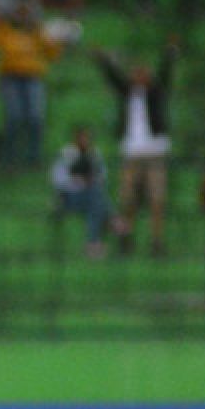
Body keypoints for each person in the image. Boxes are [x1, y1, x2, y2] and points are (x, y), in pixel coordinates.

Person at [93, 41, 178, 256]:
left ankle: (156, 241)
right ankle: (126, 239)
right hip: (131, 153)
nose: (139, 77)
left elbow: (165, 76)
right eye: (136, 73)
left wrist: (169, 55)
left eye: (143, 73)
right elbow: (114, 78)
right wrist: (103, 60)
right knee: (128, 200)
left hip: (154, 153)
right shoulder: (128, 94)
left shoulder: (156, 93)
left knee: (157, 200)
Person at [0, 3, 62, 165]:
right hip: (10, 78)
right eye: (19, 13)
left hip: (33, 78)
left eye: (26, 13)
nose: (23, 16)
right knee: (13, 117)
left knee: (36, 117)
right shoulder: (3, 31)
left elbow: (53, 54)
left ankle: (34, 157)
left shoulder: (37, 33)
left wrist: (50, 36)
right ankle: (10, 156)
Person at [50, 126, 114, 259]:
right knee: (97, 199)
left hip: (90, 197)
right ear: (76, 138)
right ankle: (112, 219)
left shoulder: (95, 154)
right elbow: (58, 180)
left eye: (87, 138)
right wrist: (78, 181)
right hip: (70, 197)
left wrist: (90, 180)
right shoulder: (65, 154)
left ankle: (93, 244)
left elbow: (103, 177)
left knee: (95, 201)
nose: (85, 141)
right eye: (82, 137)